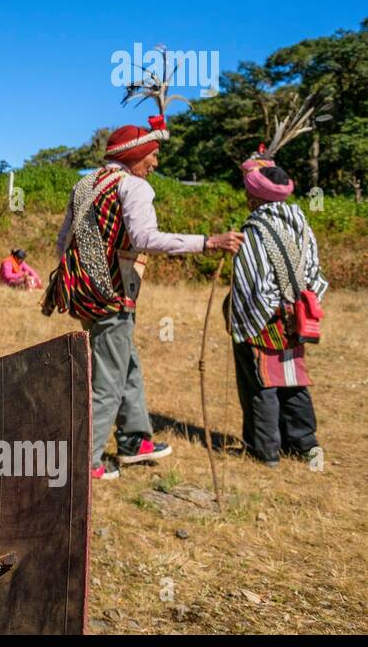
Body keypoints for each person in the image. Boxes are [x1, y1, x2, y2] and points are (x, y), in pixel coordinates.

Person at [44, 116, 242, 480]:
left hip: (83, 294)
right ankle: (87, 462)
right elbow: (145, 239)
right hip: (111, 299)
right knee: (108, 379)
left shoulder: (87, 182)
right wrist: (208, 242)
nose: (156, 163)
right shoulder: (133, 187)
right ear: (136, 155)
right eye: (152, 155)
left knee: (125, 363)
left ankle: (135, 440)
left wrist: (80, 277)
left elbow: (63, 241)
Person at [226, 153, 327, 469]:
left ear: (255, 195)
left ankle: (266, 450)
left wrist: (241, 318)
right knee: (294, 377)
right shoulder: (300, 221)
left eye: (248, 192)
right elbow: (312, 268)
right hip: (297, 314)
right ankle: (305, 444)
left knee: (261, 380)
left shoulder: (254, 229)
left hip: (263, 317)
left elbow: (248, 282)